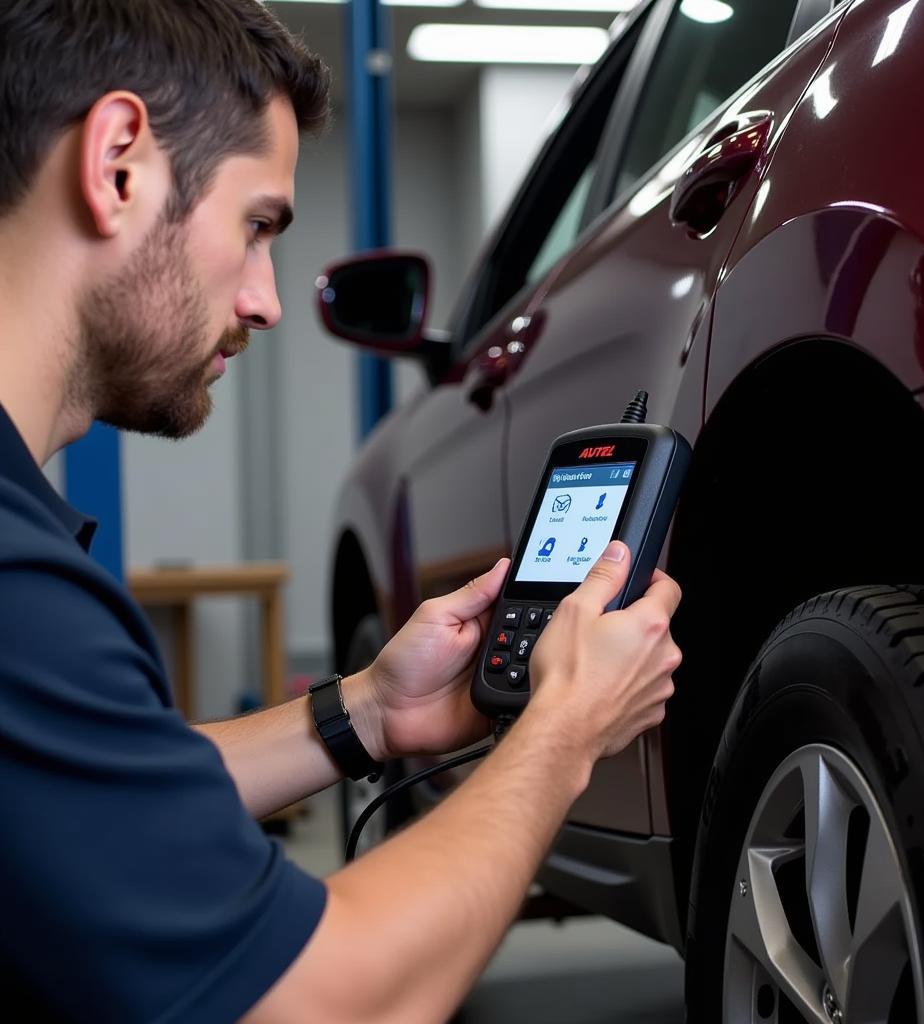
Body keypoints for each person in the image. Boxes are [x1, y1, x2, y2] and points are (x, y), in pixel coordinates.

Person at [0, 2, 683, 1021]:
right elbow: (319, 1004)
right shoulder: (17, 588)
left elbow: (101, 806)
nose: (268, 300)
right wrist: (565, 726)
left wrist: (365, 709)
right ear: (118, 165)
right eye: (257, 225)